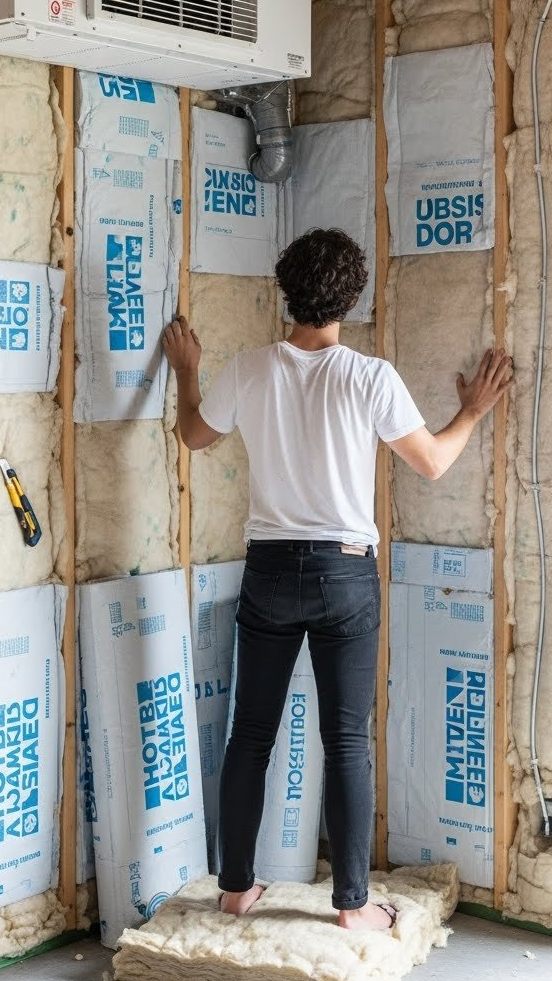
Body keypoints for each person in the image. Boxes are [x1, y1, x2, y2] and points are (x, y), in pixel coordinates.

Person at [163, 228, 512, 933]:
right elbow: (435, 462)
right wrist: (472, 409)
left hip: (269, 568)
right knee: (346, 738)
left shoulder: (253, 368)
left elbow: (194, 435)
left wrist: (187, 369)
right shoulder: (369, 376)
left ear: (283, 289)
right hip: (345, 571)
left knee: (251, 733)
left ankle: (235, 890)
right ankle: (352, 904)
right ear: (350, 298)